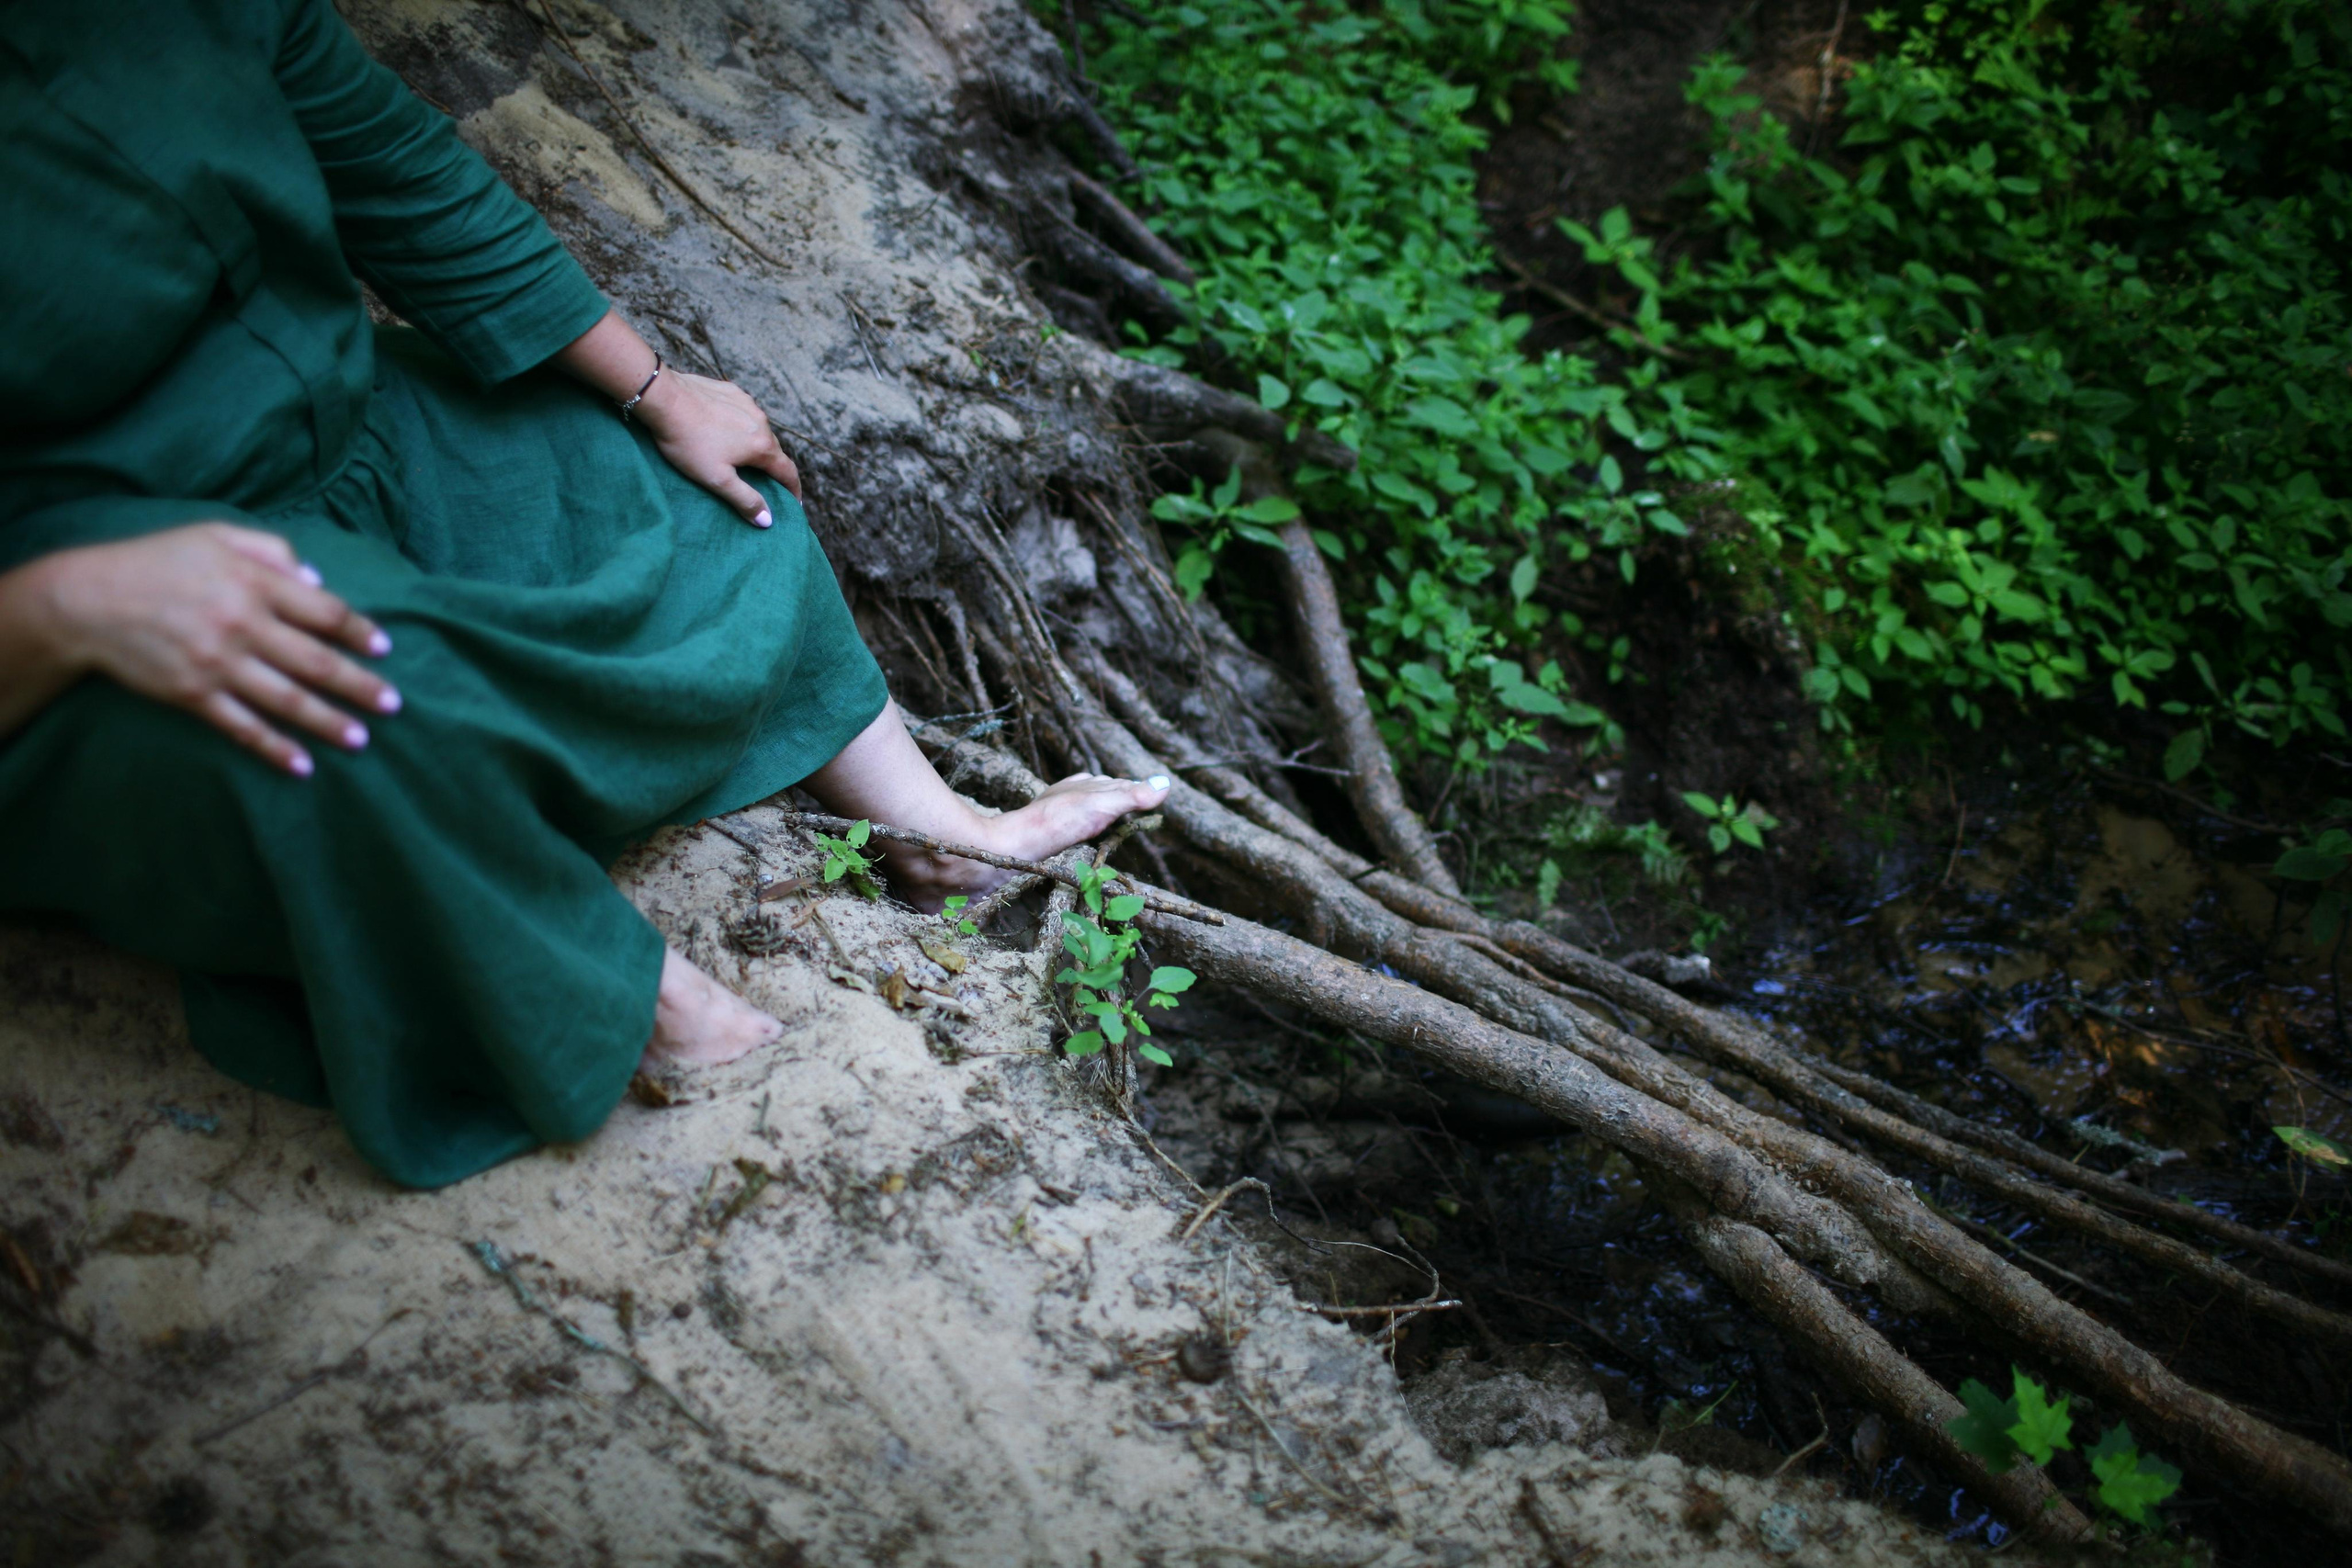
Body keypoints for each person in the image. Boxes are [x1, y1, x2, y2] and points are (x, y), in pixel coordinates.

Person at [0, 0, 1167, 1188]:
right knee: (346, 692)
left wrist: (658, 390)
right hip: (85, 603)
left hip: (356, 446)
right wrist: (67, 601)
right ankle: (654, 1017)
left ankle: (937, 838)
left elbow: (400, 181)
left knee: (712, 494)